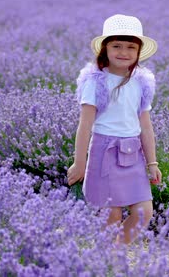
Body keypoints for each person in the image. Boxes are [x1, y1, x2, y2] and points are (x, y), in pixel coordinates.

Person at [67, 14, 162, 245]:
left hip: (134, 154)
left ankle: (112, 254)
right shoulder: (95, 81)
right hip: (104, 152)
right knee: (111, 217)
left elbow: (146, 127)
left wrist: (152, 163)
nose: (123, 52)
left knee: (144, 212)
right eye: (116, 45)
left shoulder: (142, 82)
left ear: (138, 52)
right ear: (105, 49)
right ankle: (109, 260)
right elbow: (85, 126)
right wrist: (79, 162)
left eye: (131, 47)